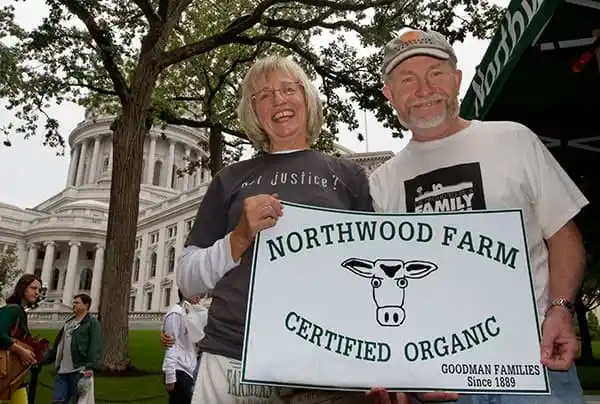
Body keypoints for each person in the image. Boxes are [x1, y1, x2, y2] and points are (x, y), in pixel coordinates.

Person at [368, 29, 589, 404]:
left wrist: (561, 310)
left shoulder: (514, 140)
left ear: (456, 78)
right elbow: (387, 280)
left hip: (533, 365)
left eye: (435, 73)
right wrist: (400, 374)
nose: (423, 89)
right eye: (407, 79)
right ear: (390, 95)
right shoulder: (381, 184)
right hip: (438, 378)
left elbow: (564, 237)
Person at [176, 55, 375, 403]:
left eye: (288, 89)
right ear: (253, 112)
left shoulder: (350, 177)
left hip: (330, 357)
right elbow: (188, 278)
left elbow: (374, 267)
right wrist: (238, 238)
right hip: (234, 355)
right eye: (264, 95)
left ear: (307, 98)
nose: (279, 100)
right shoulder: (230, 179)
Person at [42, 293, 102, 404]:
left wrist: (90, 368)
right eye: (73, 302)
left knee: (78, 401)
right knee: (58, 401)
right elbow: (57, 346)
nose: (73, 304)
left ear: (86, 305)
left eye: (77, 302)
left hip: (79, 371)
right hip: (62, 371)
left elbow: (95, 346)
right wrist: (42, 360)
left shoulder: (91, 323)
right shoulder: (68, 323)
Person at [0, 274, 44, 404]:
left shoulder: (20, 311)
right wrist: (20, 351)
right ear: (22, 288)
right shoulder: (13, 309)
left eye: (39, 290)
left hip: (12, 378)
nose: (37, 293)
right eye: (33, 288)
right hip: (5, 373)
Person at [161, 290, 203, 404]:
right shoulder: (175, 314)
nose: (199, 297)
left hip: (189, 370)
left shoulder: (193, 314)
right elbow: (171, 345)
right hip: (178, 370)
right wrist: (170, 377)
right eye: (195, 292)